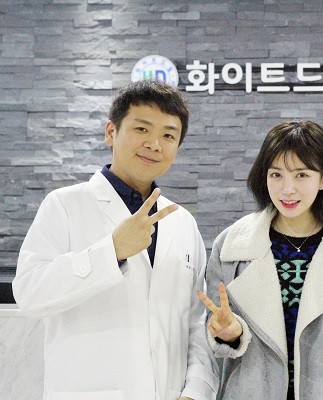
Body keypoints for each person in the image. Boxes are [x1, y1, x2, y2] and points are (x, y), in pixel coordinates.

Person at [12, 80, 218, 400]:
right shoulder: (64, 205)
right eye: (141, 129)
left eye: (168, 135)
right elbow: (29, 294)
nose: (154, 144)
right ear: (111, 132)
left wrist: (195, 390)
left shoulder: (182, 223)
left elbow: (195, 323)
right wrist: (112, 252)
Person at [197, 120, 323, 400]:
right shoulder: (231, 245)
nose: (287, 189)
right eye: (276, 175)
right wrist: (228, 333)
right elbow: (217, 324)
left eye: (301, 175)